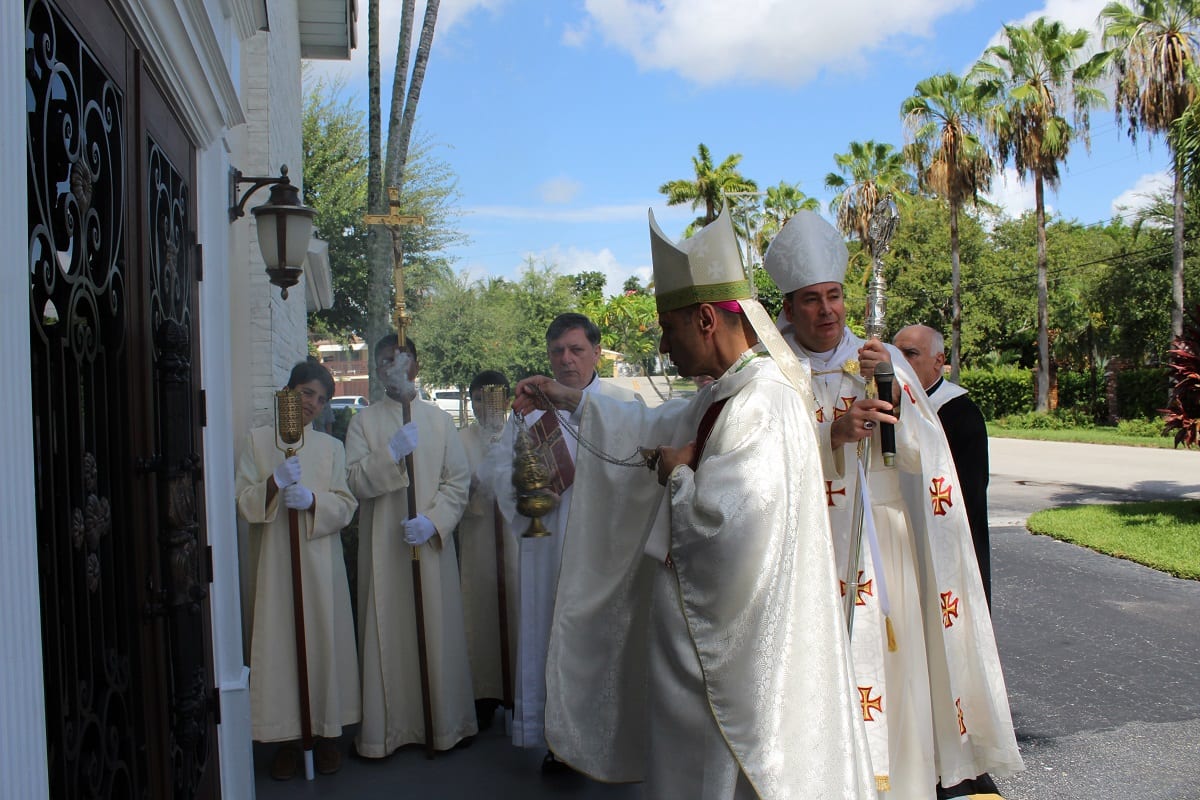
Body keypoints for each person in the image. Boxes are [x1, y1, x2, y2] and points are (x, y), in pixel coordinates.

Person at [513, 207, 876, 799]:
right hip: (694, 665)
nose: (663, 344)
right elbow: (651, 424)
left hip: (730, 668)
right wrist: (569, 397)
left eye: (669, 326)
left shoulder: (763, 400)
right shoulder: (726, 394)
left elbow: (733, 527)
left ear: (706, 318)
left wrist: (679, 475)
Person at [762, 210, 1022, 798]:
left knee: (893, 673)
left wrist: (894, 398)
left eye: (834, 296)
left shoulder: (881, 362)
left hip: (882, 552)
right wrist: (830, 435)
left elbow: (926, 456)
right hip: (809, 547)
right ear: (789, 305)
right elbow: (756, 456)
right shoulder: (772, 375)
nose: (827, 310)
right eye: (811, 300)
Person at [488, 313, 641, 769]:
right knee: (553, 639)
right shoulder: (530, 409)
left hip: (604, 547)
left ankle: (608, 742)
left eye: (576, 349)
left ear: (597, 351)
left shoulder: (621, 404)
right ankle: (559, 744)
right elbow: (500, 470)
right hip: (550, 543)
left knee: (602, 643)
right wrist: (527, 494)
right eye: (557, 351)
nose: (567, 359)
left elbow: (638, 466)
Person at [344, 334, 476, 757]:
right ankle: (389, 731)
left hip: (429, 545)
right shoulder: (363, 422)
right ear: (378, 369)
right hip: (384, 544)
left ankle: (443, 725)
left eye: (400, 359)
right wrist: (390, 454)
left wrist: (433, 521)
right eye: (384, 361)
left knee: (435, 627)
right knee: (388, 628)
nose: (392, 367)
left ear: (416, 365)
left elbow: (457, 481)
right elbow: (353, 482)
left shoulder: (438, 421)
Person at [235, 360, 360, 780]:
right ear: (289, 391)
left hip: (321, 565)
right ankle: (286, 739)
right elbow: (243, 502)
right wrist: (273, 482)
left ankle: (325, 734)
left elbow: (345, 505)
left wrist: (312, 502)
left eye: (321, 399)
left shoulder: (332, 449)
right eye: (307, 393)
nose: (313, 404)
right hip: (275, 565)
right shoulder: (256, 442)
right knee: (281, 646)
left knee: (323, 645)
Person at [893, 325, 992, 608]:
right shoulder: (889, 404)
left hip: (943, 542)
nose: (899, 361)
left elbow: (967, 497)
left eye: (910, 354)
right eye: (895, 353)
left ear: (939, 361)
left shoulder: (960, 414)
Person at [456, 370, 518, 730]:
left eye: (492, 398)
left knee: (515, 608)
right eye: (478, 399)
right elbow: (452, 491)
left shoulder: (520, 433)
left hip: (514, 539)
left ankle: (519, 690)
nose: (484, 406)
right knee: (480, 615)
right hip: (479, 538)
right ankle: (485, 692)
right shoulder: (461, 440)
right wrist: (478, 478)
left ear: (507, 400)